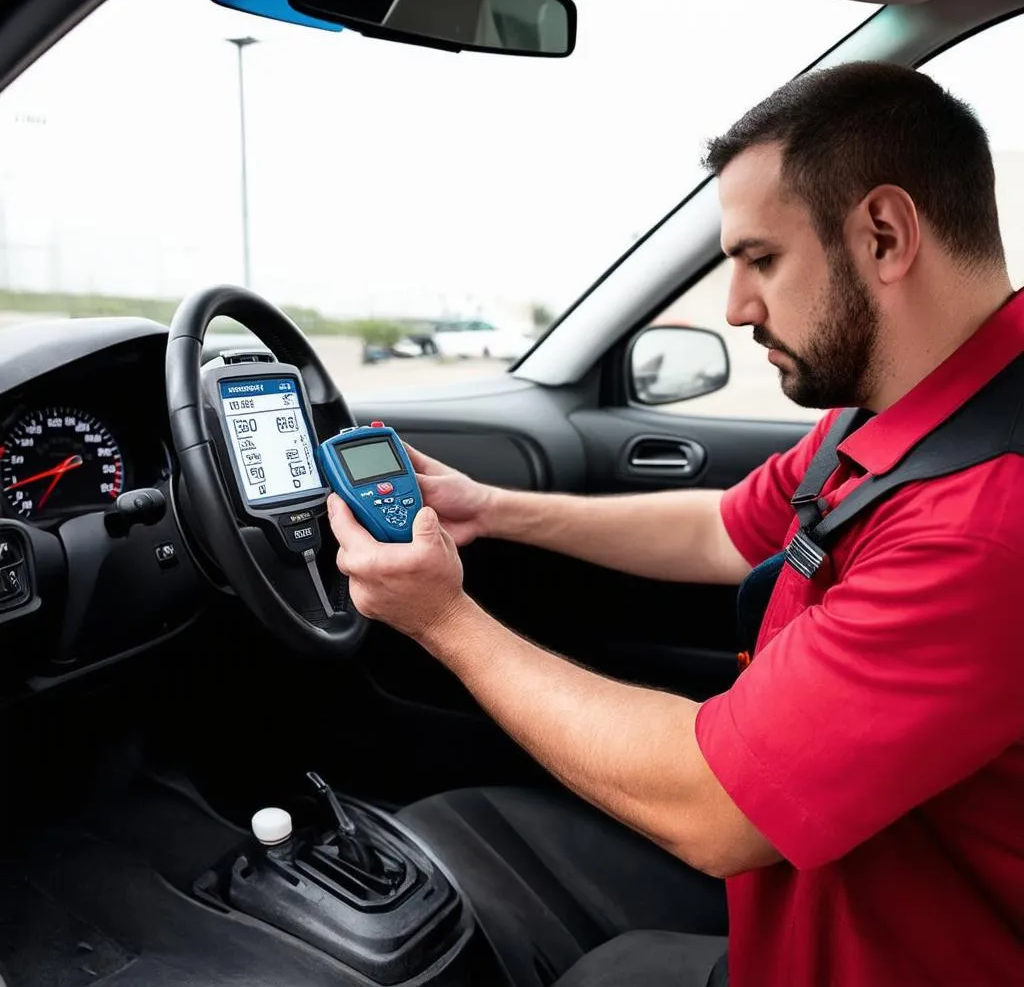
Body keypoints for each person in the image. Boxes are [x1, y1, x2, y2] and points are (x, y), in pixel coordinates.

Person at [326, 61, 1024, 987]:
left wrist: (439, 619)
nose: (736, 307)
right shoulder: (906, 409)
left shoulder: (983, 524)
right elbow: (724, 532)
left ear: (885, 236)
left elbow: (714, 809)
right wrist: (493, 509)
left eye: (760, 260)